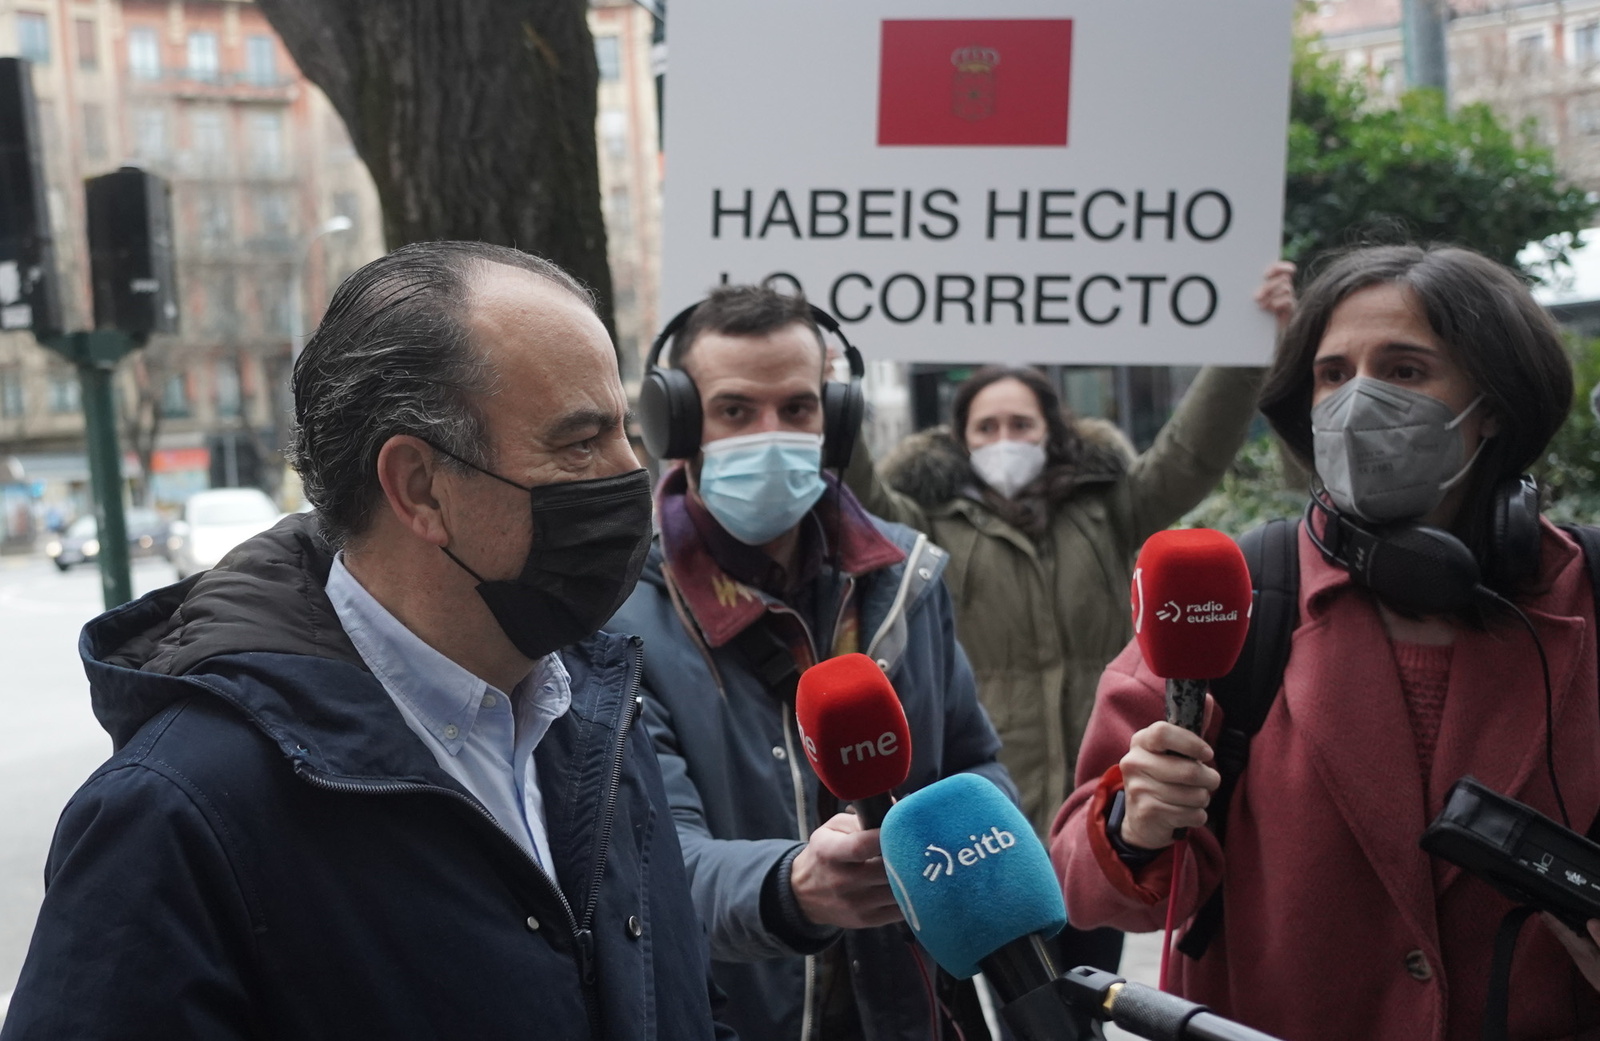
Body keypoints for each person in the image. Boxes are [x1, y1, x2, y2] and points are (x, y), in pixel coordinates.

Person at [1, 242, 729, 1041]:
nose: (632, 475)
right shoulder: (177, 812)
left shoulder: (592, 711)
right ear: (419, 488)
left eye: (625, 432)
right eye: (580, 442)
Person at [1051, 244, 1600, 1040]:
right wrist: (1133, 822)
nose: (1359, 398)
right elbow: (1081, 879)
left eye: (1405, 369)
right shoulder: (1234, 594)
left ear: (1494, 405)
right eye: (1334, 373)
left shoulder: (1590, 591)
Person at [843, 265, 1292, 969]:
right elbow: (856, 484)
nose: (1004, 437)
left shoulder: (1107, 508)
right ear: (961, 440)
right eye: (985, 426)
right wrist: (826, 379)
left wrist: (1245, 347)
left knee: (1083, 1000)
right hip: (990, 829)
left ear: (1052, 432)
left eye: (1020, 423)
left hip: (1096, 821)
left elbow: (1190, 454)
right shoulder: (925, 526)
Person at [608, 284, 1016, 1041]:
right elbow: (651, 867)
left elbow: (976, 765)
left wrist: (955, 844)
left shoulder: (907, 579)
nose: (772, 432)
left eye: (797, 408)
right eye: (736, 410)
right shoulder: (621, 618)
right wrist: (791, 888)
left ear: (836, 419)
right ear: (679, 421)